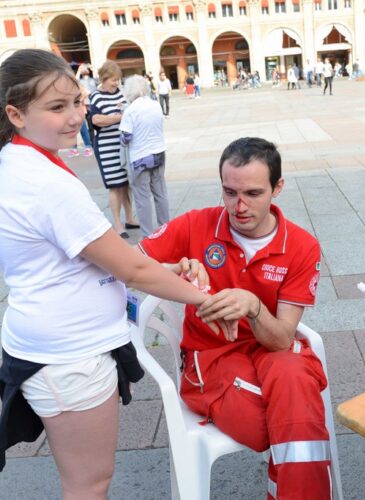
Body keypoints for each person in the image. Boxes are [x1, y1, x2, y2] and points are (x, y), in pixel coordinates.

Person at [0, 48, 231, 498]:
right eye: (56, 107)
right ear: (16, 114)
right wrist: (206, 299)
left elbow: (89, 259)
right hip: (70, 355)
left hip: (50, 343)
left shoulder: (19, 162)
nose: (74, 117)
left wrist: (162, 269)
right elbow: (131, 269)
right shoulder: (45, 183)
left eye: (76, 102)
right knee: (90, 483)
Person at [137, 137, 332, 499]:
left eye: (253, 193)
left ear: (278, 188)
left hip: (270, 350)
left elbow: (280, 338)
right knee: (292, 421)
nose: (238, 206)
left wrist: (254, 306)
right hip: (210, 358)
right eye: (229, 192)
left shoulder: (302, 246)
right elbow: (130, 264)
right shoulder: (197, 224)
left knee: (293, 392)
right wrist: (175, 267)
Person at [90, 60, 139, 238]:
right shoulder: (95, 96)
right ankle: (118, 224)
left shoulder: (120, 93)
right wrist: (119, 117)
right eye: (113, 80)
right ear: (104, 78)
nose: (116, 83)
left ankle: (130, 218)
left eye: (118, 80)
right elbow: (96, 120)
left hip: (123, 146)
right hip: (106, 148)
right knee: (115, 186)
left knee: (126, 184)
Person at [119, 75, 170, 237]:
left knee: (142, 198)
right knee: (160, 193)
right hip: (159, 152)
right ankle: (166, 228)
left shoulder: (130, 111)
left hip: (140, 157)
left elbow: (125, 138)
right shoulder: (155, 105)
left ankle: (148, 235)